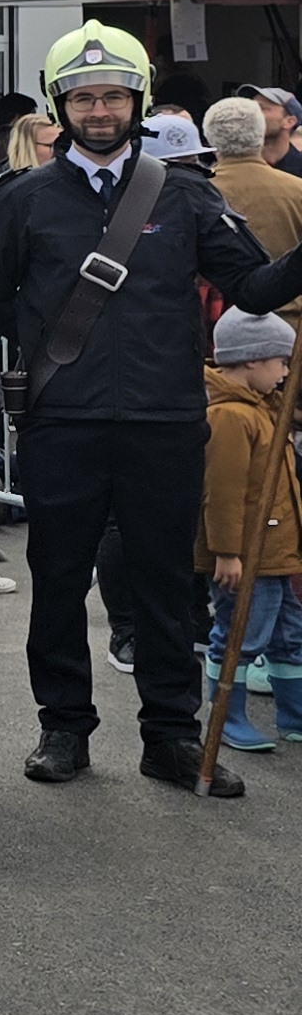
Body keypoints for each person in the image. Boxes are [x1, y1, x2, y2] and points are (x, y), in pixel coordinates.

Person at [0, 21, 302, 795]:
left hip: (165, 420)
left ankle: (172, 736)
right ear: (62, 104)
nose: (99, 110)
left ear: (137, 101)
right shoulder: (22, 200)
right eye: (84, 97)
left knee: (163, 583)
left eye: (113, 96)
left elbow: (253, 290)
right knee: (58, 578)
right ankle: (64, 729)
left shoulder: (188, 196)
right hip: (63, 422)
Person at [198, 309, 301, 752]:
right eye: (282, 362)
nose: (286, 373)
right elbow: (222, 493)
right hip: (245, 555)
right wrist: (226, 551)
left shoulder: (264, 409)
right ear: (253, 361)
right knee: (240, 632)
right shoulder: (230, 418)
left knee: (289, 633)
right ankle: (229, 713)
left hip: (276, 550)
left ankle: (294, 714)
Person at [207, 97, 302, 312]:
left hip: (219, 324)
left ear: (209, 138)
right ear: (260, 137)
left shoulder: (197, 193)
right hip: (291, 322)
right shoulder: (297, 189)